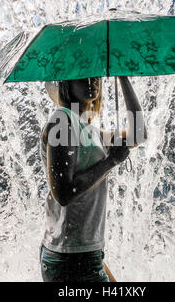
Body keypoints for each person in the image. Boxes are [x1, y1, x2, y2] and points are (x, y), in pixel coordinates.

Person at [39, 76, 147, 282]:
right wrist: (110, 161)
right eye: (83, 75)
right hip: (70, 255)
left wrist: (122, 76)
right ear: (66, 82)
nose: (92, 80)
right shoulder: (62, 121)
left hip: (82, 252)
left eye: (96, 74)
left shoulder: (88, 130)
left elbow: (139, 134)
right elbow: (63, 193)